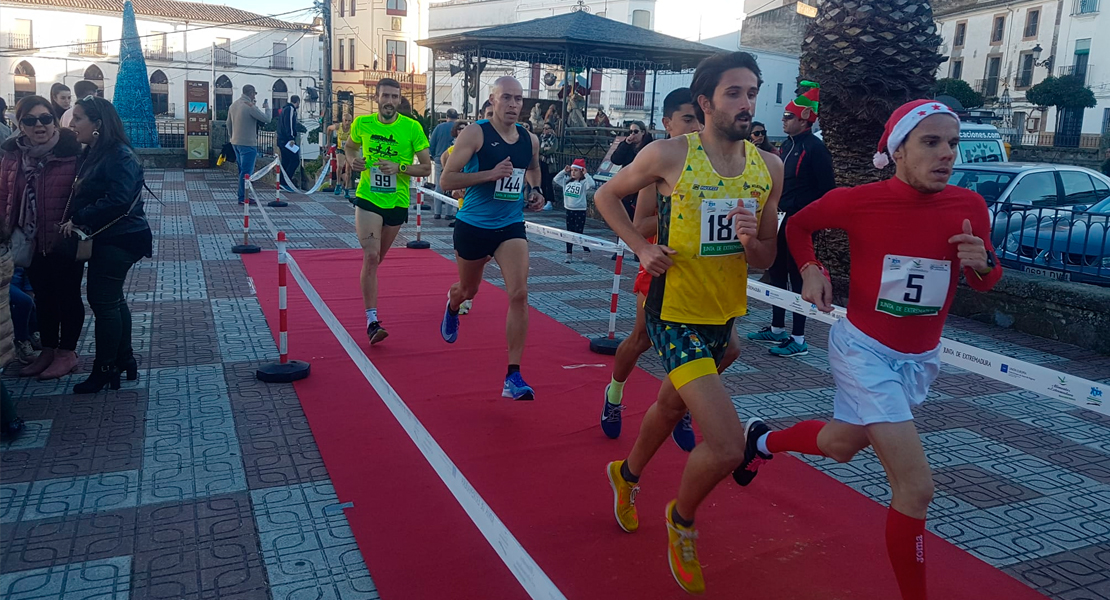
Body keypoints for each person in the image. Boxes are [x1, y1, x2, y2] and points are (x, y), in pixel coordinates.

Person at [734, 99, 1003, 600]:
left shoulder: (968, 207)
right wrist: (811, 267)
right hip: (864, 352)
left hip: (920, 359)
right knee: (916, 487)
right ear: (898, 150)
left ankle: (762, 441)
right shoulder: (859, 201)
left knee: (840, 446)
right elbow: (798, 224)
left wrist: (984, 263)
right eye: (931, 142)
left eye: (952, 143)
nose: (946, 153)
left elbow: (983, 281)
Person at [595, 52, 783, 595]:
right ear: (704, 102)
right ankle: (682, 521)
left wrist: (753, 242)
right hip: (672, 311)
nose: (747, 103)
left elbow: (768, 257)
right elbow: (607, 195)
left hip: (723, 314)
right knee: (725, 445)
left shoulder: (768, 166)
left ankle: (624, 476)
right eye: (734, 93)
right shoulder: (670, 154)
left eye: (752, 91)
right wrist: (639, 247)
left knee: (669, 403)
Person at [601, 87, 744, 451]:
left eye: (697, 119)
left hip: (707, 280)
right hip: (664, 270)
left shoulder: (727, 164)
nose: (695, 126)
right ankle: (614, 393)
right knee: (640, 340)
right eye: (686, 119)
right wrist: (674, 223)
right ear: (667, 123)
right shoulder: (661, 166)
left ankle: (682, 401)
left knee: (729, 350)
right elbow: (639, 222)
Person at [439, 76, 545, 400]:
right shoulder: (476, 133)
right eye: (507, 98)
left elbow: (533, 169)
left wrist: (536, 190)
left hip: (510, 226)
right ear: (493, 100)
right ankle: (453, 303)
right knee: (468, 289)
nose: (513, 104)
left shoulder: (530, 139)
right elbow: (446, 179)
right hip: (472, 224)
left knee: (519, 293)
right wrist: (489, 174)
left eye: (518, 99)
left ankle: (513, 376)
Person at [61, 95, 152, 394]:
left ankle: (105, 367)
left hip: (121, 237)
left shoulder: (118, 154)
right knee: (112, 300)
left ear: (97, 124)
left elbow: (119, 199)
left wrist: (79, 216)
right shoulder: (95, 151)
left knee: (103, 301)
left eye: (77, 118)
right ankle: (123, 359)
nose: (72, 124)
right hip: (110, 236)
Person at [0, 96, 84, 381]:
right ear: (20, 125)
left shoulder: (72, 151)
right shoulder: (12, 155)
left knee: (68, 296)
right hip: (29, 239)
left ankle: (67, 353)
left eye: (46, 118)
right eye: (31, 120)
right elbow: (4, 194)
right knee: (44, 297)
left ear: (53, 119)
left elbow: (85, 194)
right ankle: (48, 350)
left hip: (62, 238)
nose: (40, 125)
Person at [747, 83, 834, 357]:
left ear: (804, 119)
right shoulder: (787, 145)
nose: (783, 121)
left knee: (798, 279)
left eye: (788, 117)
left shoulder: (815, 149)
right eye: (784, 116)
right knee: (777, 273)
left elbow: (827, 191)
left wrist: (810, 220)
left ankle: (799, 337)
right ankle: (776, 328)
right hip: (780, 220)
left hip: (801, 224)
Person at [344, 78, 433, 346]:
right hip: (368, 197)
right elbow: (349, 147)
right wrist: (353, 161)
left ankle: (368, 288)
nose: (390, 102)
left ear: (399, 100)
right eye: (386, 96)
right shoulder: (362, 124)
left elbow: (427, 168)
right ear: (377, 98)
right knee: (371, 257)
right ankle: (372, 321)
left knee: (377, 259)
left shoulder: (412, 128)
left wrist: (400, 168)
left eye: (395, 97)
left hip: (397, 202)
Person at [227, 84, 270, 205]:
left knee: (242, 171)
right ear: (251, 94)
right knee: (246, 173)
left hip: (235, 143)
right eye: (254, 94)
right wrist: (267, 108)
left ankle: (243, 195)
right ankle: (243, 197)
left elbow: (228, 124)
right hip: (248, 143)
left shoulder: (233, 105)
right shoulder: (249, 106)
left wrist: (232, 137)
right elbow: (267, 119)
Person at [609, 120, 654, 220]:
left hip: (643, 185)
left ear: (643, 132)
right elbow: (615, 160)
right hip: (627, 183)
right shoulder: (626, 145)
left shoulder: (650, 145)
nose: (633, 134)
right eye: (630, 132)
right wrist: (625, 144)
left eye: (636, 131)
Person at [553, 159, 594, 261]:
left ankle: (586, 249)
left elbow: (592, 185)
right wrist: (564, 171)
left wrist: (586, 174)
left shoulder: (584, 182)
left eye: (576, 170)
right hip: (569, 209)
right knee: (569, 232)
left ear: (581, 171)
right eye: (572, 170)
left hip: (580, 210)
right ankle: (569, 254)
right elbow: (556, 179)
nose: (573, 172)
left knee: (578, 232)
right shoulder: (566, 181)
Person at [429, 108, 460, 218]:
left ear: (447, 116)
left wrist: (433, 155)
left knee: (439, 186)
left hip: (438, 160)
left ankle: (437, 212)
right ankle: (449, 213)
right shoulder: (459, 128)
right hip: (455, 161)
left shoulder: (439, 127)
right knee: (452, 186)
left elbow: (431, 144)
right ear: (457, 117)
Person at [277, 96, 303, 191]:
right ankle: (285, 182)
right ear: (297, 102)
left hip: (281, 139)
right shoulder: (290, 109)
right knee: (295, 160)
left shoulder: (284, 109)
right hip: (287, 140)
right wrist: (291, 138)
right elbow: (289, 124)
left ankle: (282, 182)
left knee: (286, 161)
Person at [327, 112, 354, 198]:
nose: (347, 123)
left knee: (348, 170)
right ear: (343, 120)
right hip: (340, 149)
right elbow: (328, 128)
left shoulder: (353, 128)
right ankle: (338, 183)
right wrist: (328, 142)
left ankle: (346, 188)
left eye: (349, 121)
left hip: (349, 150)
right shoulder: (339, 126)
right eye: (346, 120)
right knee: (339, 166)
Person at [539, 122, 559, 211]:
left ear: (551, 129)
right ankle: (544, 199)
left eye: (547, 128)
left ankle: (550, 201)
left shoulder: (554, 139)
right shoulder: (541, 138)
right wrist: (544, 149)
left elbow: (552, 149)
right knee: (542, 182)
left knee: (548, 182)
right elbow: (538, 148)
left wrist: (544, 151)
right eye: (544, 128)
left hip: (550, 162)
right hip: (541, 161)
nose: (545, 130)